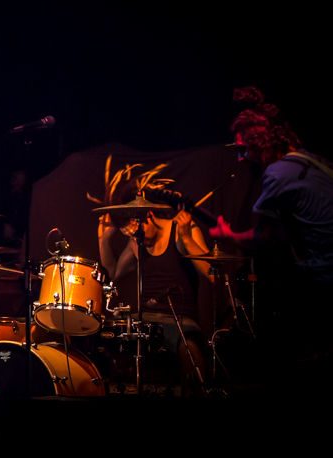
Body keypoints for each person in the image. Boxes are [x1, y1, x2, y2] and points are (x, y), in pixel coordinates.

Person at [210, 87, 333, 370]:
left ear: (260, 143)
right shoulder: (315, 161)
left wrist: (229, 235)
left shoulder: (277, 173)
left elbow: (263, 238)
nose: (241, 158)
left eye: (243, 149)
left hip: (323, 278)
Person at [98, 180, 211, 396]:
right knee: (100, 338)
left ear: (148, 216)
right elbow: (114, 274)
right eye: (130, 236)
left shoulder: (180, 230)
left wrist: (187, 238)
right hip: (146, 320)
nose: (136, 239)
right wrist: (103, 240)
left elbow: (212, 274)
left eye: (136, 233)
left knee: (191, 354)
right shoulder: (136, 240)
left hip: (181, 319)